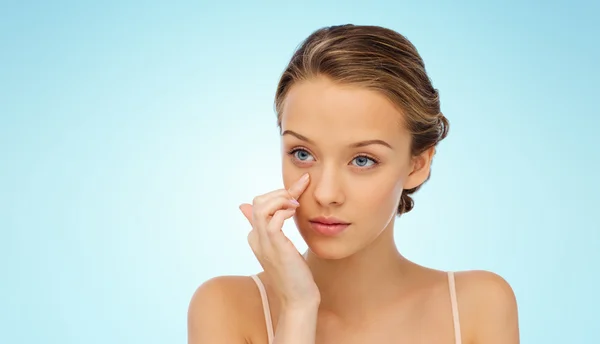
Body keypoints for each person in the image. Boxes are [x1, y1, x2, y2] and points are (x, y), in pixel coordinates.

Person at [188, 24, 519, 344]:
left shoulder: (478, 306)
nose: (326, 194)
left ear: (417, 165)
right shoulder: (226, 307)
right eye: (302, 153)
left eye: (363, 160)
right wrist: (298, 308)